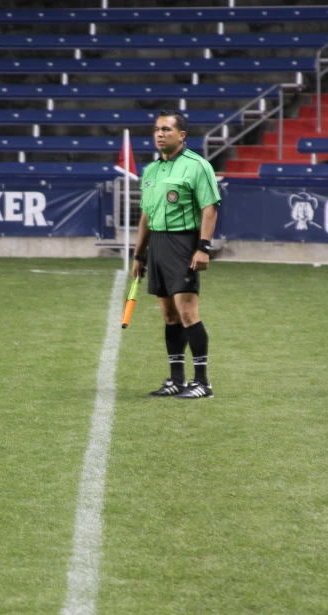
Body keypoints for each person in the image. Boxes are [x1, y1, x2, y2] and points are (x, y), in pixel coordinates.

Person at [132, 109, 221, 399]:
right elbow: (146, 215)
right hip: (157, 245)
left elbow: (210, 208)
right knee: (169, 316)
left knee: (187, 313)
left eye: (166, 129)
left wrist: (203, 247)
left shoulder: (198, 166)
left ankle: (203, 382)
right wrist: (139, 255)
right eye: (157, 129)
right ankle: (177, 380)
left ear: (181, 135)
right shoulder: (151, 170)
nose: (160, 134)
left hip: (184, 244)